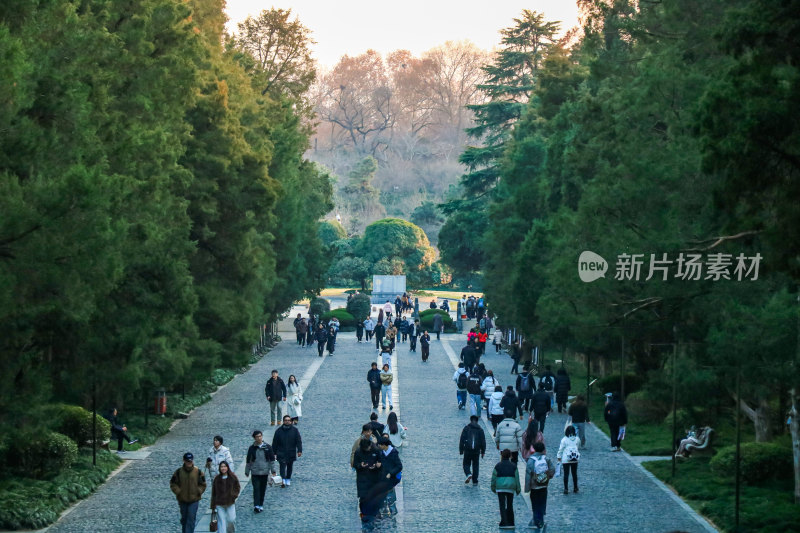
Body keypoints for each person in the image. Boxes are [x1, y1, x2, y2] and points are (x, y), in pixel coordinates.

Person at [170, 452, 207, 533]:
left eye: (190, 461)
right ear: (184, 461)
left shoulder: (198, 472)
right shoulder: (178, 472)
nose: (189, 463)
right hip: (182, 500)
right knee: (184, 519)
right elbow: (173, 483)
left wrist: (198, 491)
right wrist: (178, 492)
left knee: (191, 518)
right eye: (187, 461)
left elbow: (203, 484)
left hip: (194, 500)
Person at [525, 442, 555, 530]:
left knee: (535, 503)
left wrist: (527, 488)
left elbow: (528, 475)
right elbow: (552, 469)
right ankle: (541, 519)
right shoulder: (546, 458)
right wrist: (548, 477)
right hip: (544, 486)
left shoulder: (531, 460)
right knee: (542, 503)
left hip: (534, 487)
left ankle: (536, 519)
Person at [354, 438, 383, 529]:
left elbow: (382, 462)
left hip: (374, 477)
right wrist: (360, 465)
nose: (367, 450)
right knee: (363, 497)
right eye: (365, 449)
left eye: (368, 448)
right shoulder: (358, 451)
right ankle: (364, 514)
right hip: (362, 478)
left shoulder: (376, 450)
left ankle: (375, 514)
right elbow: (355, 464)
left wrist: (378, 466)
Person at [244, 430, 275, 513]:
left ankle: (261, 504)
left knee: (262, 489)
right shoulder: (252, 448)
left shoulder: (268, 447)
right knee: (256, 489)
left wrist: (273, 471)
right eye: (257, 436)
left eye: (260, 436)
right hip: (255, 472)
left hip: (265, 472)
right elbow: (248, 460)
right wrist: (247, 471)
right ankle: (256, 505)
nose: (259, 438)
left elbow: (272, 460)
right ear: (254, 438)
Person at [492, 449, 521, 529]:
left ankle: (504, 521)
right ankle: (511, 521)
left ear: (502, 455)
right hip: (510, 487)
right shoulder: (513, 466)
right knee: (509, 504)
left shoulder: (498, 466)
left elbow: (494, 478)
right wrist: (518, 489)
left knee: (502, 504)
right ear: (510, 456)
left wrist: (493, 488)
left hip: (500, 487)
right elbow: (517, 478)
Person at [272, 415, 302, 487]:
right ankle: (283, 480)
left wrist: (299, 450)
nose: (287, 421)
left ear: (291, 421)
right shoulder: (278, 431)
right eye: (286, 420)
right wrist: (274, 453)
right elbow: (275, 442)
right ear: (283, 421)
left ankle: (288, 479)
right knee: (282, 467)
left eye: (289, 420)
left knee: (289, 467)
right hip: (281, 452)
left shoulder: (295, 430)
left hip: (291, 452)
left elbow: (298, 441)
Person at [210, 460, 240, 533]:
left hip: (230, 502)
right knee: (221, 521)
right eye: (221, 467)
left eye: (224, 466)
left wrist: (233, 495)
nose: (223, 468)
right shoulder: (217, 479)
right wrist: (213, 505)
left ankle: (231, 531)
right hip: (219, 503)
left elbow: (237, 487)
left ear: (227, 467)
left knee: (231, 519)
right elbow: (214, 492)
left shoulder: (232, 477)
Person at [376, 437, 403, 516]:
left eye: (380, 445)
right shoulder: (382, 452)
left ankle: (392, 510)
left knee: (389, 493)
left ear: (384, 445)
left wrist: (391, 473)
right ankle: (384, 508)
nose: (379, 446)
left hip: (392, 477)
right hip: (384, 476)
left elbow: (399, 466)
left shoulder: (393, 453)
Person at [459, 415, 486, 486]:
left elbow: (462, 439)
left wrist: (461, 450)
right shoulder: (480, 430)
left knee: (466, 464)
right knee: (476, 465)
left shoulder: (466, 428)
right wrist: (483, 451)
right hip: (476, 450)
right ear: (477, 421)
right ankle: (475, 480)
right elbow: (483, 441)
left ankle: (468, 474)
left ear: (470, 420)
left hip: (467, 449)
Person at [556, 425, 581, 494]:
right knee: (574, 473)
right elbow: (578, 446)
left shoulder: (564, 440)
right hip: (575, 458)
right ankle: (575, 487)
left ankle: (566, 488)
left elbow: (561, 449)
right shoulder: (577, 439)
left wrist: (559, 457)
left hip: (566, 459)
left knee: (566, 474)